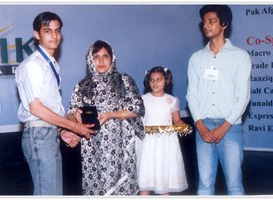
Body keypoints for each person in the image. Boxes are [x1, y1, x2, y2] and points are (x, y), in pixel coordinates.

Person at [15, 11, 94, 195]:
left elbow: (47, 107)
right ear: (37, 34)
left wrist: (62, 131)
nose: (54, 35)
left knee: (54, 194)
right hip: (39, 134)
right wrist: (74, 126)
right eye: (47, 31)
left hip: (48, 133)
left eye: (57, 31)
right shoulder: (33, 65)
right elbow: (35, 108)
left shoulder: (50, 64)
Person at [63, 40, 145, 195]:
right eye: (96, 56)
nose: (101, 61)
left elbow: (138, 108)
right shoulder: (82, 85)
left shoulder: (124, 81)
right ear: (90, 59)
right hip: (92, 146)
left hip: (122, 145)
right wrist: (75, 116)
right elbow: (70, 114)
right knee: (96, 189)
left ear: (112, 58)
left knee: (122, 189)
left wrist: (111, 115)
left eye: (105, 56)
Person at [186, 5, 251, 195]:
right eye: (204, 22)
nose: (206, 26)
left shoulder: (240, 57)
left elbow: (243, 97)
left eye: (211, 21)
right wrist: (201, 126)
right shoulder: (196, 58)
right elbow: (192, 95)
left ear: (224, 24)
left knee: (234, 185)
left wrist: (224, 127)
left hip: (230, 128)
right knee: (204, 185)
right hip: (203, 128)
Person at [136, 66, 192, 195]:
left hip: (165, 144)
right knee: (145, 180)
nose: (155, 83)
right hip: (147, 143)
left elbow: (177, 120)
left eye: (159, 80)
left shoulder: (172, 100)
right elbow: (137, 120)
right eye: (152, 80)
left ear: (166, 80)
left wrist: (184, 126)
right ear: (148, 81)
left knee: (164, 180)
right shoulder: (143, 99)